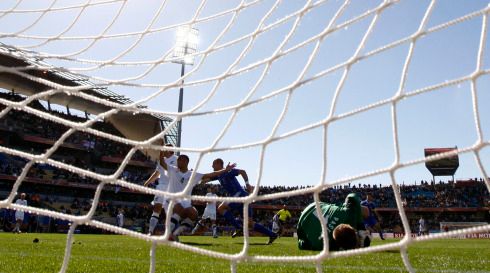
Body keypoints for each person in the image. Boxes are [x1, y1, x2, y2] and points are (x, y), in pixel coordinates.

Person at [158, 152, 236, 241]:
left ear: (185, 162)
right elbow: (162, 163)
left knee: (194, 214)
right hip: (170, 201)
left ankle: (175, 234)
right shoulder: (172, 170)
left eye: (179, 160)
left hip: (184, 204)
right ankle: (167, 233)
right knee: (179, 207)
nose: (177, 162)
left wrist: (225, 170)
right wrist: (161, 153)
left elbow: (211, 174)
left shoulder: (192, 174)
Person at [201, 158, 278, 245]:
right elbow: (208, 178)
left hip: (239, 195)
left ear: (219, 164)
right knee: (249, 223)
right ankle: (272, 235)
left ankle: (238, 227)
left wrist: (247, 184)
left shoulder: (228, 171)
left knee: (221, 208)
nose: (212, 166)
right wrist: (200, 180)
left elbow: (242, 172)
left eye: (213, 164)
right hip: (243, 196)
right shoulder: (219, 175)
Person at [296, 193, 371, 251]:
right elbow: (301, 244)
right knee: (366, 211)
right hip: (302, 223)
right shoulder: (324, 246)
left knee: (365, 211)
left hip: (315, 206)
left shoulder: (348, 214)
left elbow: (351, 196)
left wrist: (361, 227)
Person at [143, 143, 177, 235]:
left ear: (170, 150)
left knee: (170, 211)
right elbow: (157, 173)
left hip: (171, 187)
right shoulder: (161, 160)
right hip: (161, 186)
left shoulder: (177, 159)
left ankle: (170, 233)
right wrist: (147, 182)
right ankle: (150, 231)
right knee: (157, 207)